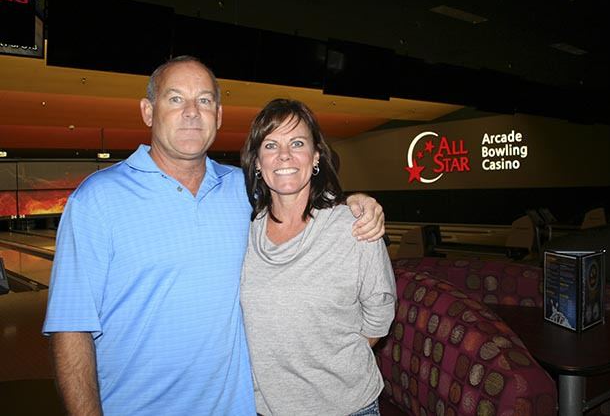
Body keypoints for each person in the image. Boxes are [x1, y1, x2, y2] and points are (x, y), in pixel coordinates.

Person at [43, 56, 385, 416]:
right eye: (175, 99)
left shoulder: (242, 189)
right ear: (148, 111)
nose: (192, 112)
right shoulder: (97, 199)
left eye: (204, 100)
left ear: (218, 116)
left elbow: (295, 193)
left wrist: (354, 203)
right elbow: (71, 328)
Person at [240, 99, 396, 415]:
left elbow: (380, 316)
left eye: (297, 143)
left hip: (346, 407)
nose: (284, 155)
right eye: (271, 145)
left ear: (315, 158)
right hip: (266, 409)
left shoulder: (352, 227)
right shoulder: (241, 230)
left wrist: (328, 365)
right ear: (257, 161)